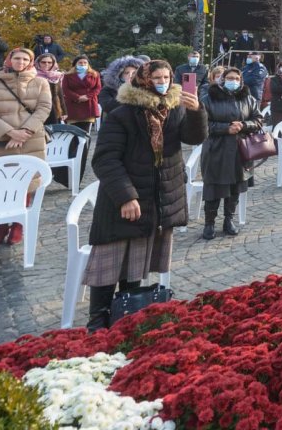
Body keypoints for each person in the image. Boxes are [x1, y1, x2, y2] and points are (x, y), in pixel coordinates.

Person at [84, 59, 206, 331]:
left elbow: (193, 138)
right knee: (109, 262)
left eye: (166, 77)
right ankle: (97, 321)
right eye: (156, 77)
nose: (162, 82)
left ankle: (124, 314)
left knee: (137, 262)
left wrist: (196, 111)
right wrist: (126, 196)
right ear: (142, 80)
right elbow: (105, 159)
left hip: (158, 197)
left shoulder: (173, 108)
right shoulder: (122, 113)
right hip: (122, 200)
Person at [0, 48, 51, 248]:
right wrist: (10, 132)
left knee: (25, 184)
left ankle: (18, 225)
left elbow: (44, 108)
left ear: (30, 62)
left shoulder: (41, 82)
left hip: (30, 139)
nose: (20, 61)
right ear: (8, 59)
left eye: (25, 59)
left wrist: (25, 131)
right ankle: (1, 227)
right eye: (16, 58)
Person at [198, 67, 264, 240]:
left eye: (236, 78)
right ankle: (209, 223)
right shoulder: (208, 99)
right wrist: (226, 128)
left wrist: (243, 125)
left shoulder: (248, 99)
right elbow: (203, 125)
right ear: (222, 80)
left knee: (235, 186)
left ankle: (229, 220)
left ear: (241, 80)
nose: (233, 81)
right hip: (216, 149)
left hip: (240, 150)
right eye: (229, 78)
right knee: (213, 187)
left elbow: (258, 120)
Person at [34, 52, 67, 125]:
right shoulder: (33, 75)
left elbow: (60, 94)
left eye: (49, 62)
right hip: (38, 109)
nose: (46, 64)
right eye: (43, 62)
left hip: (55, 109)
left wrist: (64, 112)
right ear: (38, 63)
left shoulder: (56, 76)